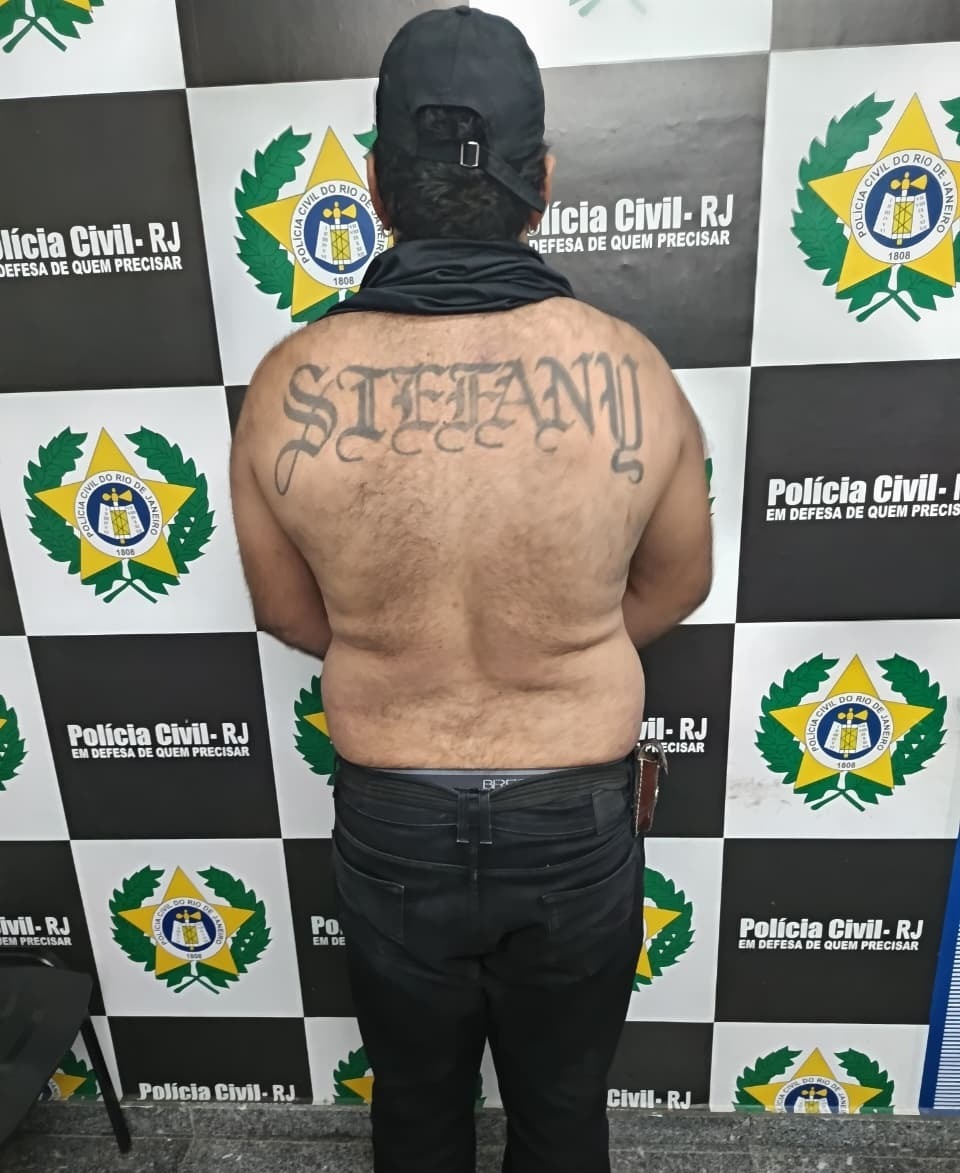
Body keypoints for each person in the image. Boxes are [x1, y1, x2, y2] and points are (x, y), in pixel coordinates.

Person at [229, 7, 712, 1171]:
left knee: (415, 1108)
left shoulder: (288, 383)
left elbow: (286, 611)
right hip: (574, 814)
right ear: (541, 181)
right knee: (563, 1111)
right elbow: (680, 583)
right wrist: (565, 641)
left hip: (393, 814)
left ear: (375, 185)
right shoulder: (634, 373)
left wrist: (403, 652)